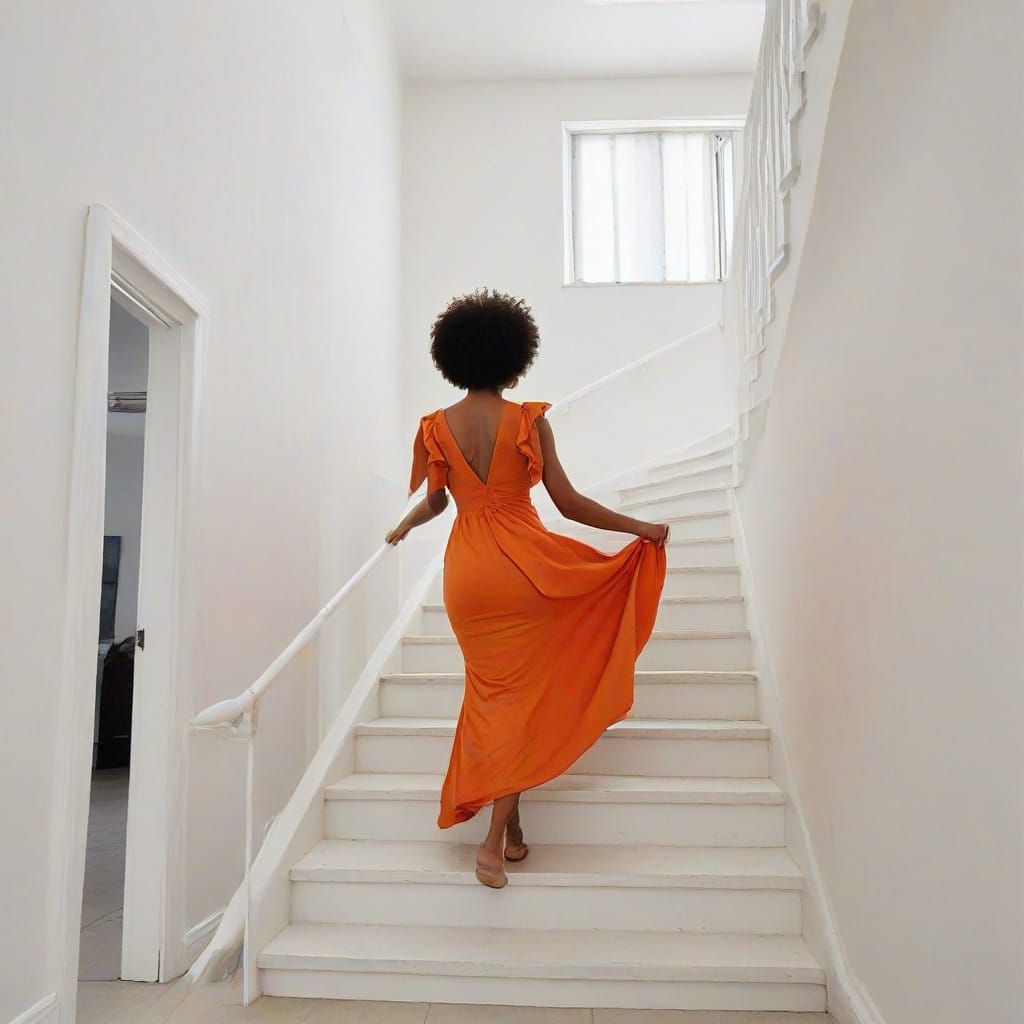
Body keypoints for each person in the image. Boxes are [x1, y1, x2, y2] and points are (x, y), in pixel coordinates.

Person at [386, 289, 668, 888]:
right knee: (520, 702)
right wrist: (638, 526)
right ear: (516, 354)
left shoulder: (437, 427)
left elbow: (436, 501)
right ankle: (490, 844)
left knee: (494, 697)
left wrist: (404, 526)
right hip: (524, 568)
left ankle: (512, 830)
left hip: (468, 575)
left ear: (452, 356)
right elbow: (567, 503)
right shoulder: (528, 419)